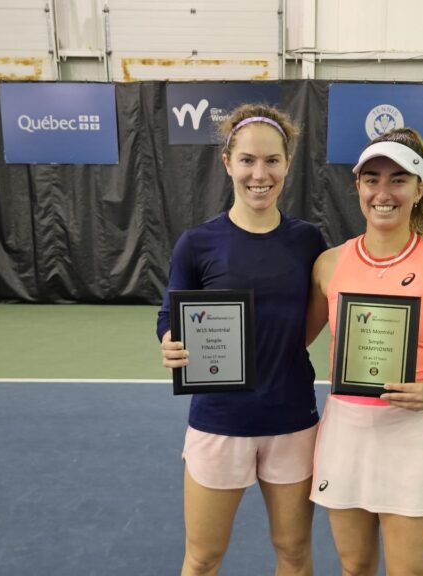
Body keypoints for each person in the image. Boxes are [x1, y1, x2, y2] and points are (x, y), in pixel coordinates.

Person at [306, 128, 423, 575]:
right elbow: (293, 339)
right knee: (355, 569)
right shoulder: (329, 264)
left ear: (419, 189)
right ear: (358, 187)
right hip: (344, 433)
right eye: (372, 179)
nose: (383, 192)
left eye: (398, 179)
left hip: (409, 434)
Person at [157, 103, 327, 576]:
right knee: (203, 557)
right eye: (248, 160)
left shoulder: (309, 242)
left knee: (293, 555)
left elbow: (312, 320)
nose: (260, 173)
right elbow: (171, 314)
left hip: (291, 421)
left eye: (272, 161)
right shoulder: (197, 243)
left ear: (287, 165)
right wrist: (171, 340)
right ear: (227, 162)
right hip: (218, 421)